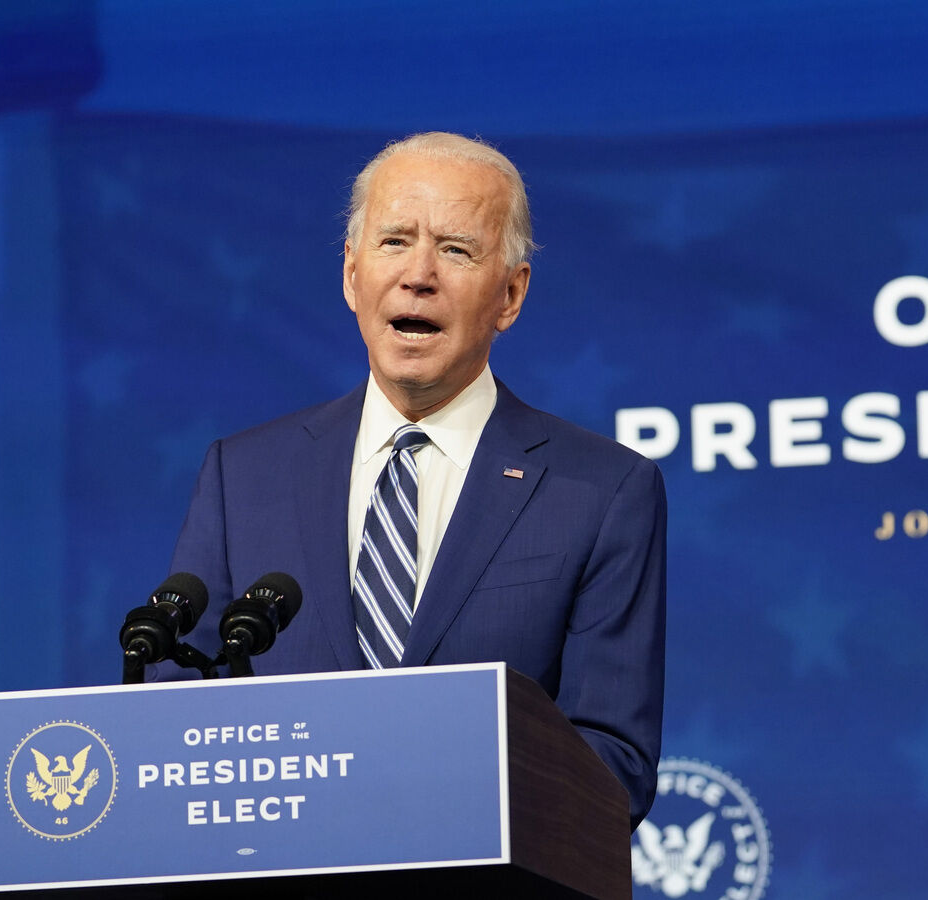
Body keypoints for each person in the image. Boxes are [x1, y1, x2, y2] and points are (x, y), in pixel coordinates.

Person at [167, 132, 666, 826]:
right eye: (394, 241)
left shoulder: (602, 492)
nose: (418, 275)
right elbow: (172, 728)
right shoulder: (243, 476)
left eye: (456, 250)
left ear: (511, 295)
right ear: (351, 274)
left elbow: (612, 766)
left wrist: (418, 802)